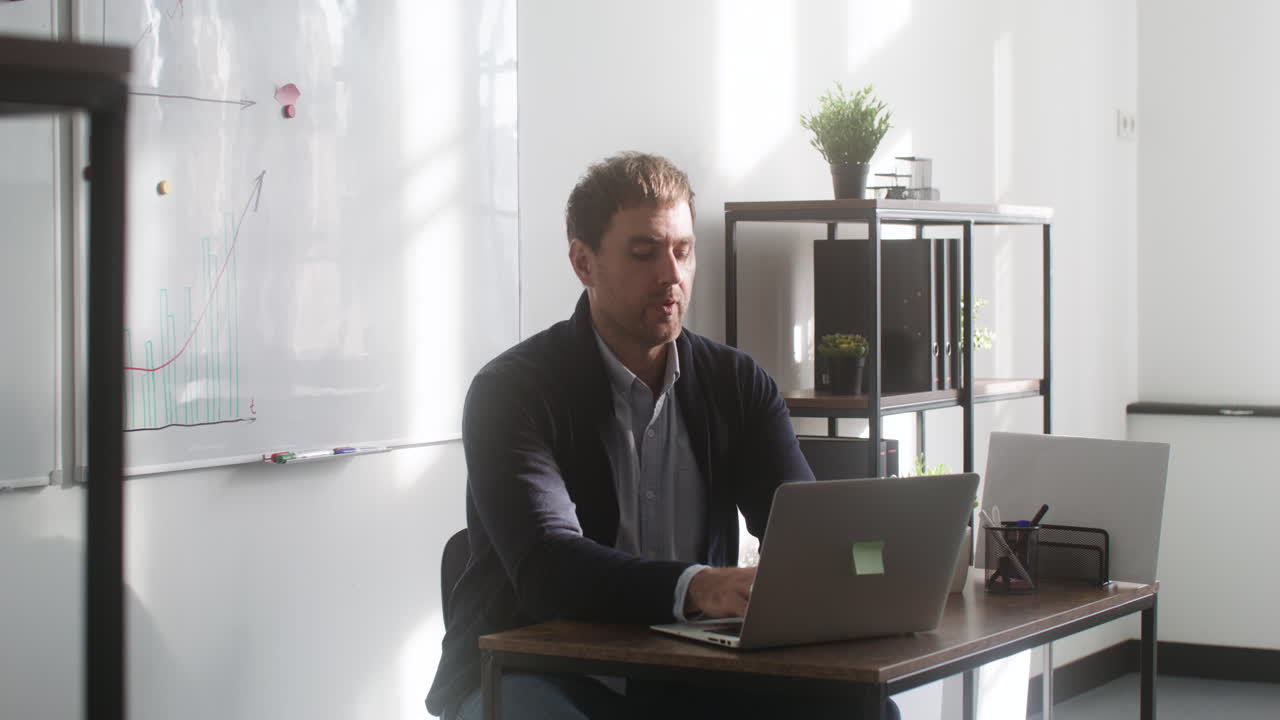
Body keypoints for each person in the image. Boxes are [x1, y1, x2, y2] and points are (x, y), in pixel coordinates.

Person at [426, 152, 898, 720]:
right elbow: (549, 568)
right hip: (536, 668)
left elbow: (804, 534)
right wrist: (699, 588)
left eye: (683, 250)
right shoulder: (513, 392)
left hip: (687, 670)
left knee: (864, 709)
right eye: (644, 252)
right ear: (583, 262)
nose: (671, 274)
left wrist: (882, 565)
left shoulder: (736, 383)